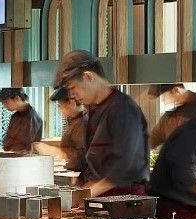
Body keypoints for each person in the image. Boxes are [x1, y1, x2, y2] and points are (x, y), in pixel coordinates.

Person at [53, 50, 149, 197]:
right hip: (100, 199)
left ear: (88, 77)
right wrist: (80, 184)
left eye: (72, 88)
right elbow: (91, 159)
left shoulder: (123, 108)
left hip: (124, 200)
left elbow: (126, 165)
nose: (71, 95)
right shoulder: (93, 110)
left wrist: (90, 193)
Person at [147, 83, 196, 149]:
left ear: (176, 90)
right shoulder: (169, 119)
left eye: (164, 97)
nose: (164, 102)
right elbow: (151, 141)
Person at [33, 87, 87, 172]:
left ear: (71, 102)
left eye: (60, 105)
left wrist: (54, 151)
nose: (59, 110)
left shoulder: (84, 122)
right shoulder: (75, 120)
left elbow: (82, 158)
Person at [0, 88, 43, 153]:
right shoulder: (15, 116)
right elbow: (7, 141)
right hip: (14, 154)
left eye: (6, 102)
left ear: (17, 98)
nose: (5, 106)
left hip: (26, 156)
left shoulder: (32, 117)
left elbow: (27, 145)